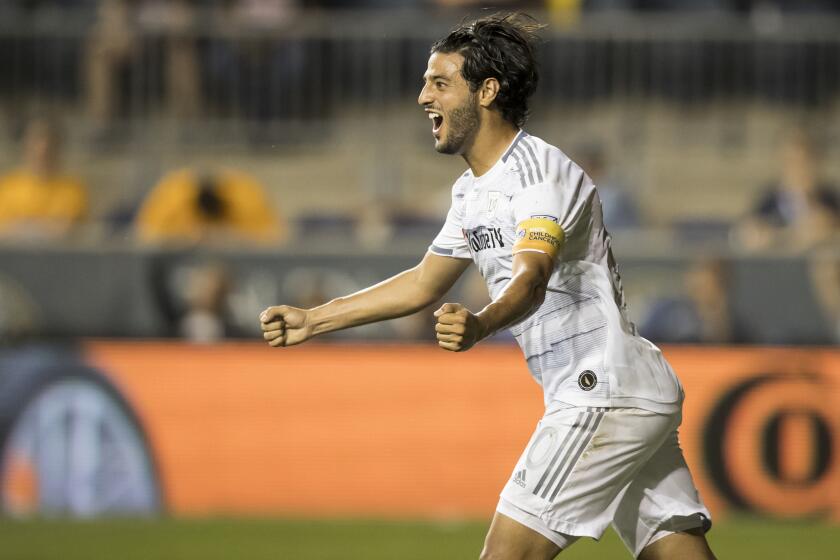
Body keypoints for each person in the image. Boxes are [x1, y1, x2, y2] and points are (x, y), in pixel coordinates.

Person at [260, 13, 716, 560]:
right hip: (627, 388)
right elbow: (425, 281)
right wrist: (316, 319)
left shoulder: (539, 174)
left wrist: (481, 324)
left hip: (601, 391)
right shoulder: (472, 192)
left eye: (440, 82)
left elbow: (532, 278)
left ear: (487, 91)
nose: (423, 96)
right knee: (676, 553)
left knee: (506, 555)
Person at [134, 167, 284, 245]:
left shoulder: (244, 197)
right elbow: (144, 236)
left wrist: (233, 238)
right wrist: (185, 240)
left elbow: (276, 238)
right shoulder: (174, 197)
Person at [0, 117, 88, 240]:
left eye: (48, 149)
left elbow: (65, 231)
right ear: (26, 147)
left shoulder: (72, 189)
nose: (41, 154)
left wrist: (22, 226)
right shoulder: (7, 186)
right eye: (35, 145)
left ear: (58, 150)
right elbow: (3, 230)